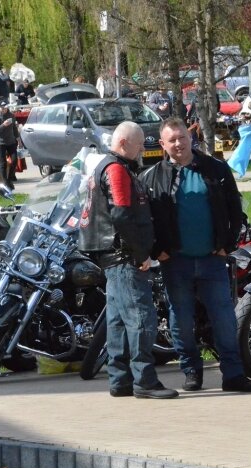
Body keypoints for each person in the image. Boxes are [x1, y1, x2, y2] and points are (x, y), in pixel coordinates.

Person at [140, 118, 251, 393]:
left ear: (190, 137)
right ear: (163, 144)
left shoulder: (215, 170)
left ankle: (233, 374)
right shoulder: (151, 177)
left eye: (182, 137)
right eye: (172, 140)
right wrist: (157, 250)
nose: (179, 144)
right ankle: (192, 372)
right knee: (181, 320)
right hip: (176, 262)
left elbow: (235, 210)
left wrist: (226, 246)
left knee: (224, 319)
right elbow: (144, 220)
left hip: (212, 260)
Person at [78, 122, 179, 399]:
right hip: (124, 257)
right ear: (124, 143)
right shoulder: (117, 170)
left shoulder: (104, 167)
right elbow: (121, 214)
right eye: (138, 145)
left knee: (119, 321)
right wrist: (141, 253)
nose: (142, 151)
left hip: (112, 256)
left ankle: (119, 380)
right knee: (141, 318)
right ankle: (145, 381)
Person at [0, 101, 20, 190]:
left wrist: (18, 138)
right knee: (3, 163)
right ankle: (6, 181)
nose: (4, 109)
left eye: (5, 107)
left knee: (14, 160)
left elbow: (14, 128)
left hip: (11, 141)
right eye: (2, 108)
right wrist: (3, 125)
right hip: (1, 142)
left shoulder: (11, 115)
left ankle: (9, 178)